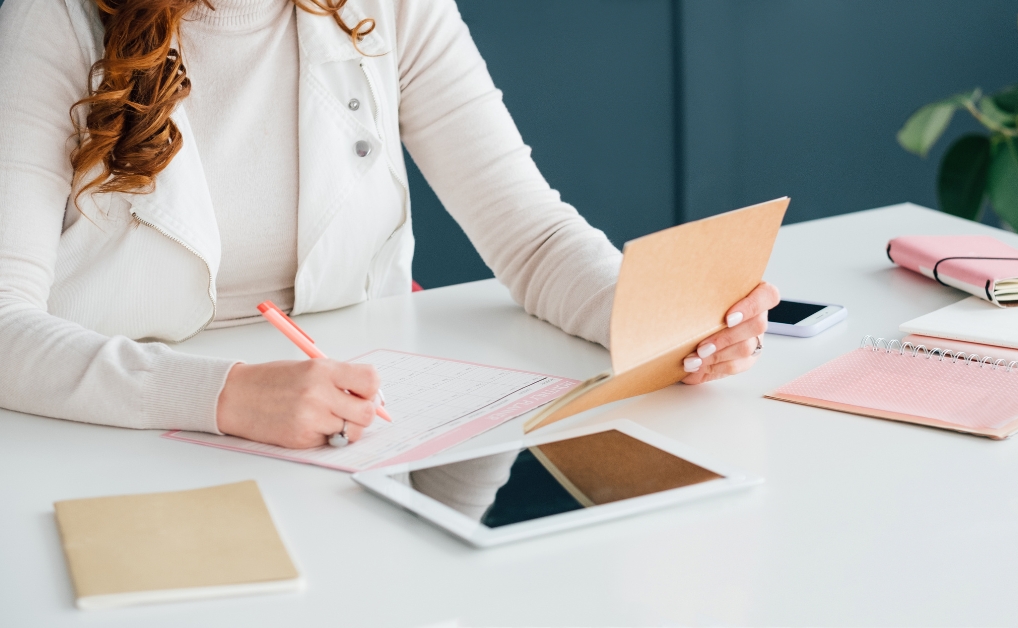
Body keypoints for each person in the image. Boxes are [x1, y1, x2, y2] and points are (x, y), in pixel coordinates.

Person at [0, 0, 779, 449]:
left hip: (357, 436)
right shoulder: (56, 17)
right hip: (106, 433)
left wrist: (662, 321)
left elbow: (532, 237)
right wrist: (226, 397)